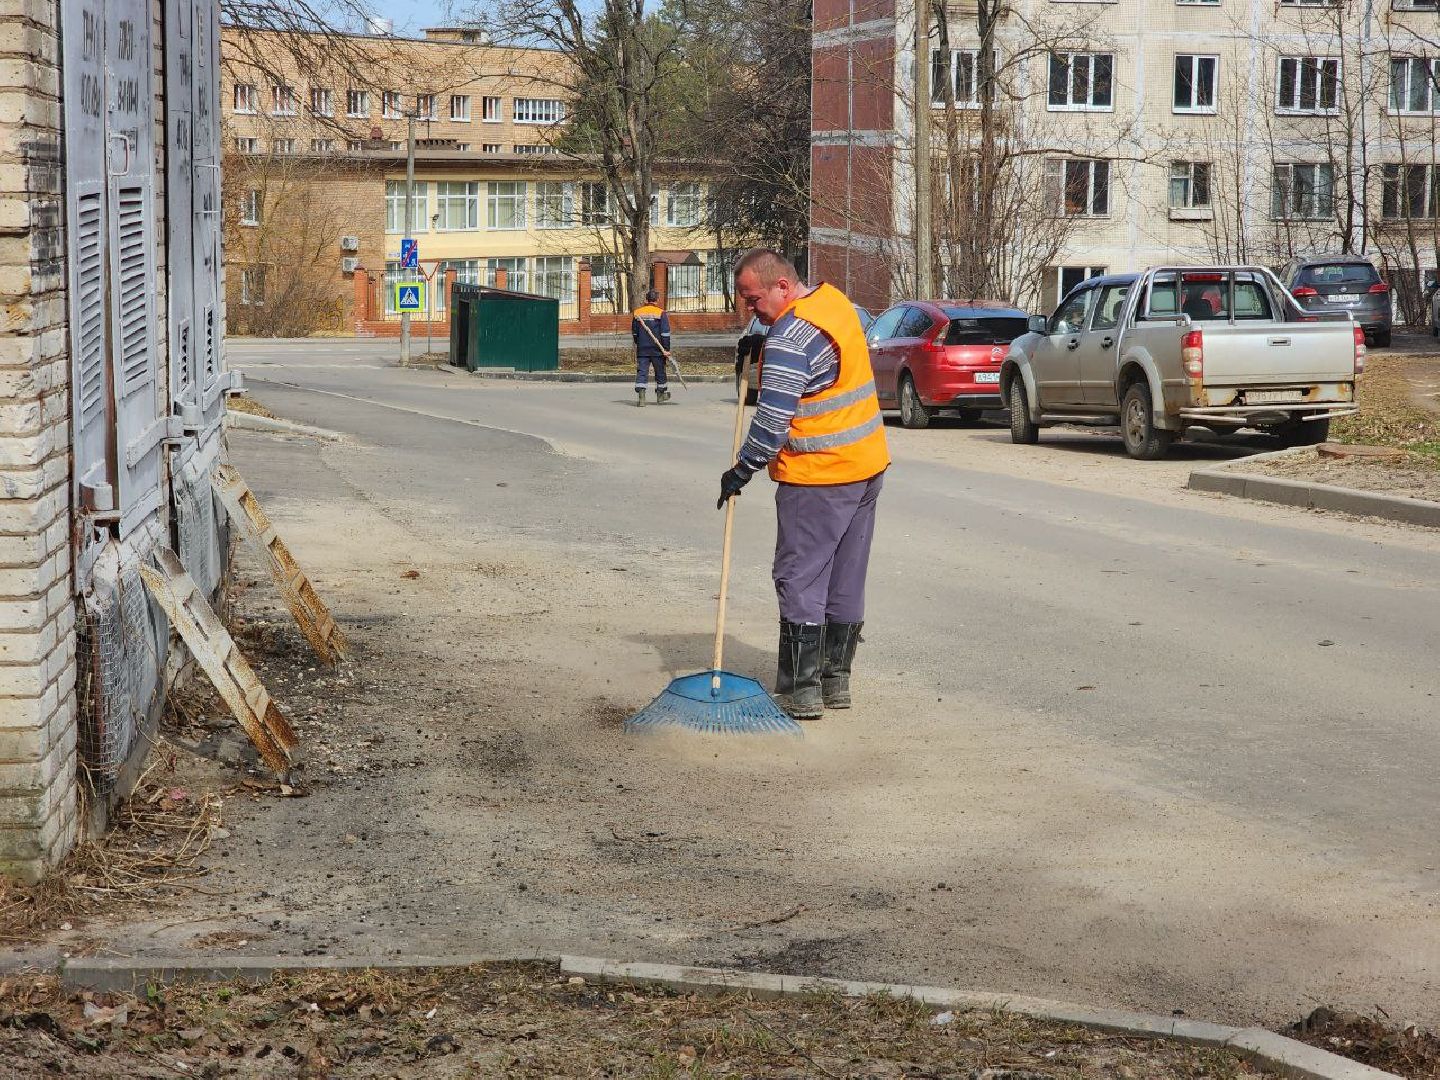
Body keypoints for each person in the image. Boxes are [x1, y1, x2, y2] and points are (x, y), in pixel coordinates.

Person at [717, 248, 889, 719]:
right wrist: (760, 336)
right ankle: (837, 683)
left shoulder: (790, 339)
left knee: (800, 576)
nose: (749, 310)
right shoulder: (836, 304)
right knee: (845, 576)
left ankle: (801, 690)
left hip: (819, 475)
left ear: (783, 288)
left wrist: (743, 468)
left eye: (753, 300)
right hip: (867, 465)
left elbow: (772, 421)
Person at [631, 289, 671, 406]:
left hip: (642, 349)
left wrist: (639, 343)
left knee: (642, 372)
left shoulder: (637, 312)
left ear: (646, 299)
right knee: (660, 372)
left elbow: (634, 332)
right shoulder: (660, 313)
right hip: (657, 349)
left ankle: (642, 399)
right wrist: (666, 349)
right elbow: (665, 333)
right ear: (657, 300)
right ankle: (660, 395)